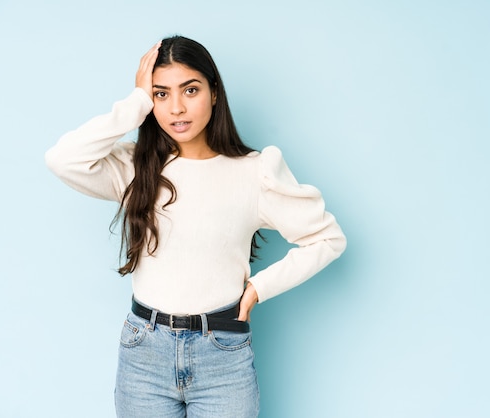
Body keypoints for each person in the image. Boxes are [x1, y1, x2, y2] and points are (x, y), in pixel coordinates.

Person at [45, 35, 346, 418]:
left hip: (222, 354)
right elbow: (62, 159)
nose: (177, 108)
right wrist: (136, 102)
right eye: (161, 94)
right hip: (144, 352)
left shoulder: (255, 172)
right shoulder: (136, 168)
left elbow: (327, 239)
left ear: (214, 92)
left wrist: (257, 289)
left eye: (190, 90)